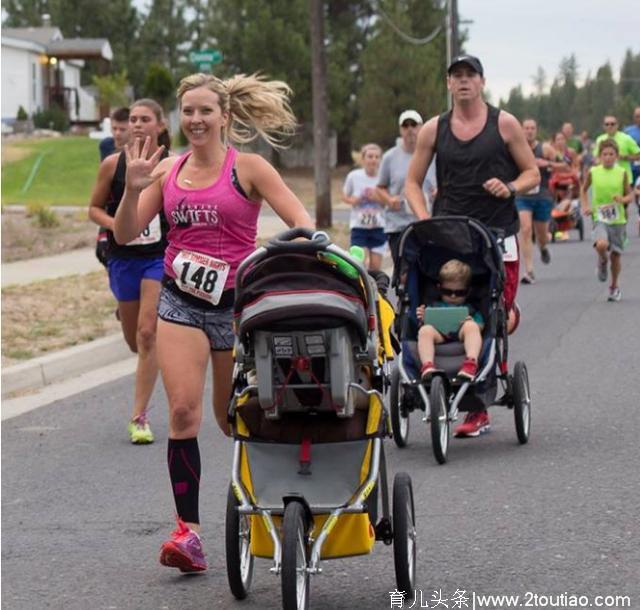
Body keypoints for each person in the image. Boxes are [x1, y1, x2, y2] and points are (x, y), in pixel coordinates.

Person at [113, 73, 313, 573]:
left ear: (225, 116)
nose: (196, 120)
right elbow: (126, 232)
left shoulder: (248, 167)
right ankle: (190, 535)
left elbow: (299, 218)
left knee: (234, 421)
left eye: (205, 111)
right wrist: (132, 189)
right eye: (188, 112)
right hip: (180, 302)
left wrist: (306, 250)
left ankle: (274, 509)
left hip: (238, 306)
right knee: (182, 413)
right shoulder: (168, 171)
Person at [405, 54, 539, 438]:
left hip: (498, 233)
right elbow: (413, 182)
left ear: (481, 82)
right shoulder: (434, 129)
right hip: (450, 234)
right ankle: (442, 378)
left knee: (498, 314)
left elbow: (532, 173)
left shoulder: (505, 124)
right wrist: (422, 219)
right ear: (448, 84)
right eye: (456, 76)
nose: (463, 81)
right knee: (447, 308)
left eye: (470, 75)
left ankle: (479, 401)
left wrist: (511, 186)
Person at [89, 99, 171, 444]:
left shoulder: (172, 166)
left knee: (148, 333)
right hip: (123, 258)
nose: (137, 125)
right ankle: (138, 335)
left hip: (158, 257)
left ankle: (139, 416)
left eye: (145, 119)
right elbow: (93, 208)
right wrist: (117, 225)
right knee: (135, 341)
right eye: (133, 119)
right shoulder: (112, 165)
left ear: (160, 125)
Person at [377, 109, 435, 269]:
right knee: (404, 272)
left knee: (428, 270)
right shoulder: (390, 157)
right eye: (405, 125)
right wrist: (389, 199)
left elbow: (445, 182)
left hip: (427, 222)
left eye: (414, 125)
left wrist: (439, 192)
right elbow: (380, 187)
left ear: (422, 127)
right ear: (400, 130)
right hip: (398, 224)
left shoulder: (434, 155)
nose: (410, 129)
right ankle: (405, 292)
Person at [417, 259, 484, 385]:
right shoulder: (434, 306)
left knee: (472, 326)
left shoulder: (470, 308)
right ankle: (427, 366)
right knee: (425, 330)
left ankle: (471, 363)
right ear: (439, 288)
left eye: (459, 293)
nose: (453, 296)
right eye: (447, 292)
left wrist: (474, 323)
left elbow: (481, 325)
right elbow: (423, 325)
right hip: (439, 334)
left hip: (461, 333)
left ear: (468, 291)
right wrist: (423, 318)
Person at [581, 139, 632, 302]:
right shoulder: (594, 172)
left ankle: (614, 286)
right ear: (600, 156)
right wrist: (585, 206)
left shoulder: (621, 173)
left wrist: (622, 199)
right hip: (600, 218)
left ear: (616, 156)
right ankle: (603, 260)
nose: (608, 157)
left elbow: (629, 195)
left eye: (611, 154)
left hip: (618, 220)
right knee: (602, 244)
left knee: (616, 256)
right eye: (605, 154)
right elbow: (583, 189)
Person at [516, 119, 561, 284]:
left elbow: (567, 164)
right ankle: (529, 270)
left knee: (542, 234)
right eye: (526, 128)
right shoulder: (515, 149)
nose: (529, 131)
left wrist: (547, 163)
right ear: (521, 130)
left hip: (542, 195)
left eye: (532, 128)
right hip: (522, 196)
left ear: (536, 130)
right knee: (526, 230)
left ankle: (542, 247)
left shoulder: (546, 148)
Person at [342, 143, 386, 271]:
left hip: (379, 227)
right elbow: (345, 197)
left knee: (375, 268)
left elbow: (390, 202)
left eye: (377, 157)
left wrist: (376, 197)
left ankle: (374, 290)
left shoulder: (384, 177)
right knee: (359, 264)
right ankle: (361, 290)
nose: (373, 160)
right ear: (363, 159)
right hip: (359, 227)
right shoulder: (354, 176)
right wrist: (356, 200)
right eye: (370, 156)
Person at [96, 107, 131, 266]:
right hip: (113, 208)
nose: (117, 133)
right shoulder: (106, 146)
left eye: (122, 129)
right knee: (103, 251)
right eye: (114, 129)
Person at [593, 115, 640, 182]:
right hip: (605, 178)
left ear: (617, 125)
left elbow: (638, 155)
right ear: (603, 126)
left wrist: (625, 157)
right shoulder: (600, 139)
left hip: (624, 178)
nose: (610, 126)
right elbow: (596, 157)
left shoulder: (626, 138)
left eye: (612, 124)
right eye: (607, 124)